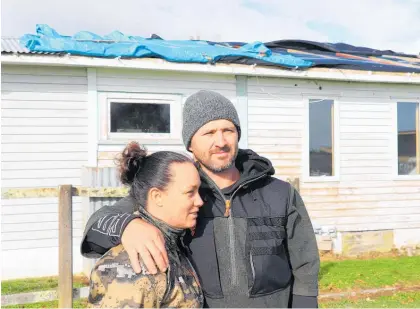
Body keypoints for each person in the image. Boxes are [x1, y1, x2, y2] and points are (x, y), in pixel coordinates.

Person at [82, 90, 320, 308]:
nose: (221, 142)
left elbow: (306, 266)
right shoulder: (179, 194)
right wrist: (128, 225)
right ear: (190, 144)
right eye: (208, 132)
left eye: (228, 130)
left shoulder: (279, 193)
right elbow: (97, 224)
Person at [87, 142, 204, 308]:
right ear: (157, 196)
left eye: (199, 191)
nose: (200, 201)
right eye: (190, 193)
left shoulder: (172, 243)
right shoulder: (136, 264)